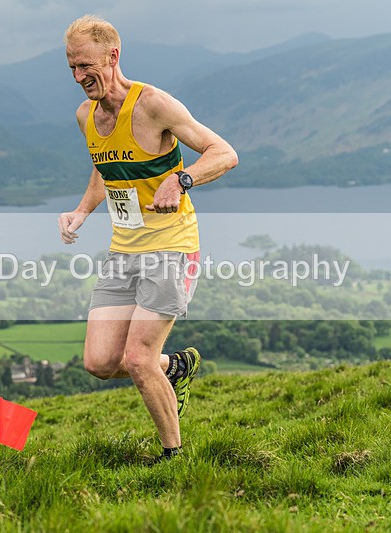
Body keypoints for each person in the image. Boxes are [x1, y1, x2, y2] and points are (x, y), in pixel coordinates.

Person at [58, 14, 238, 461]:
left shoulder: (153, 104)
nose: (79, 77)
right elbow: (104, 170)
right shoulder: (86, 116)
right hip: (124, 251)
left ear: (112, 56)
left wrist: (181, 180)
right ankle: (175, 367)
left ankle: (173, 457)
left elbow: (224, 153)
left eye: (86, 66)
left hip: (172, 247)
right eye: (72, 68)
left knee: (138, 359)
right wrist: (81, 211)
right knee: (100, 362)